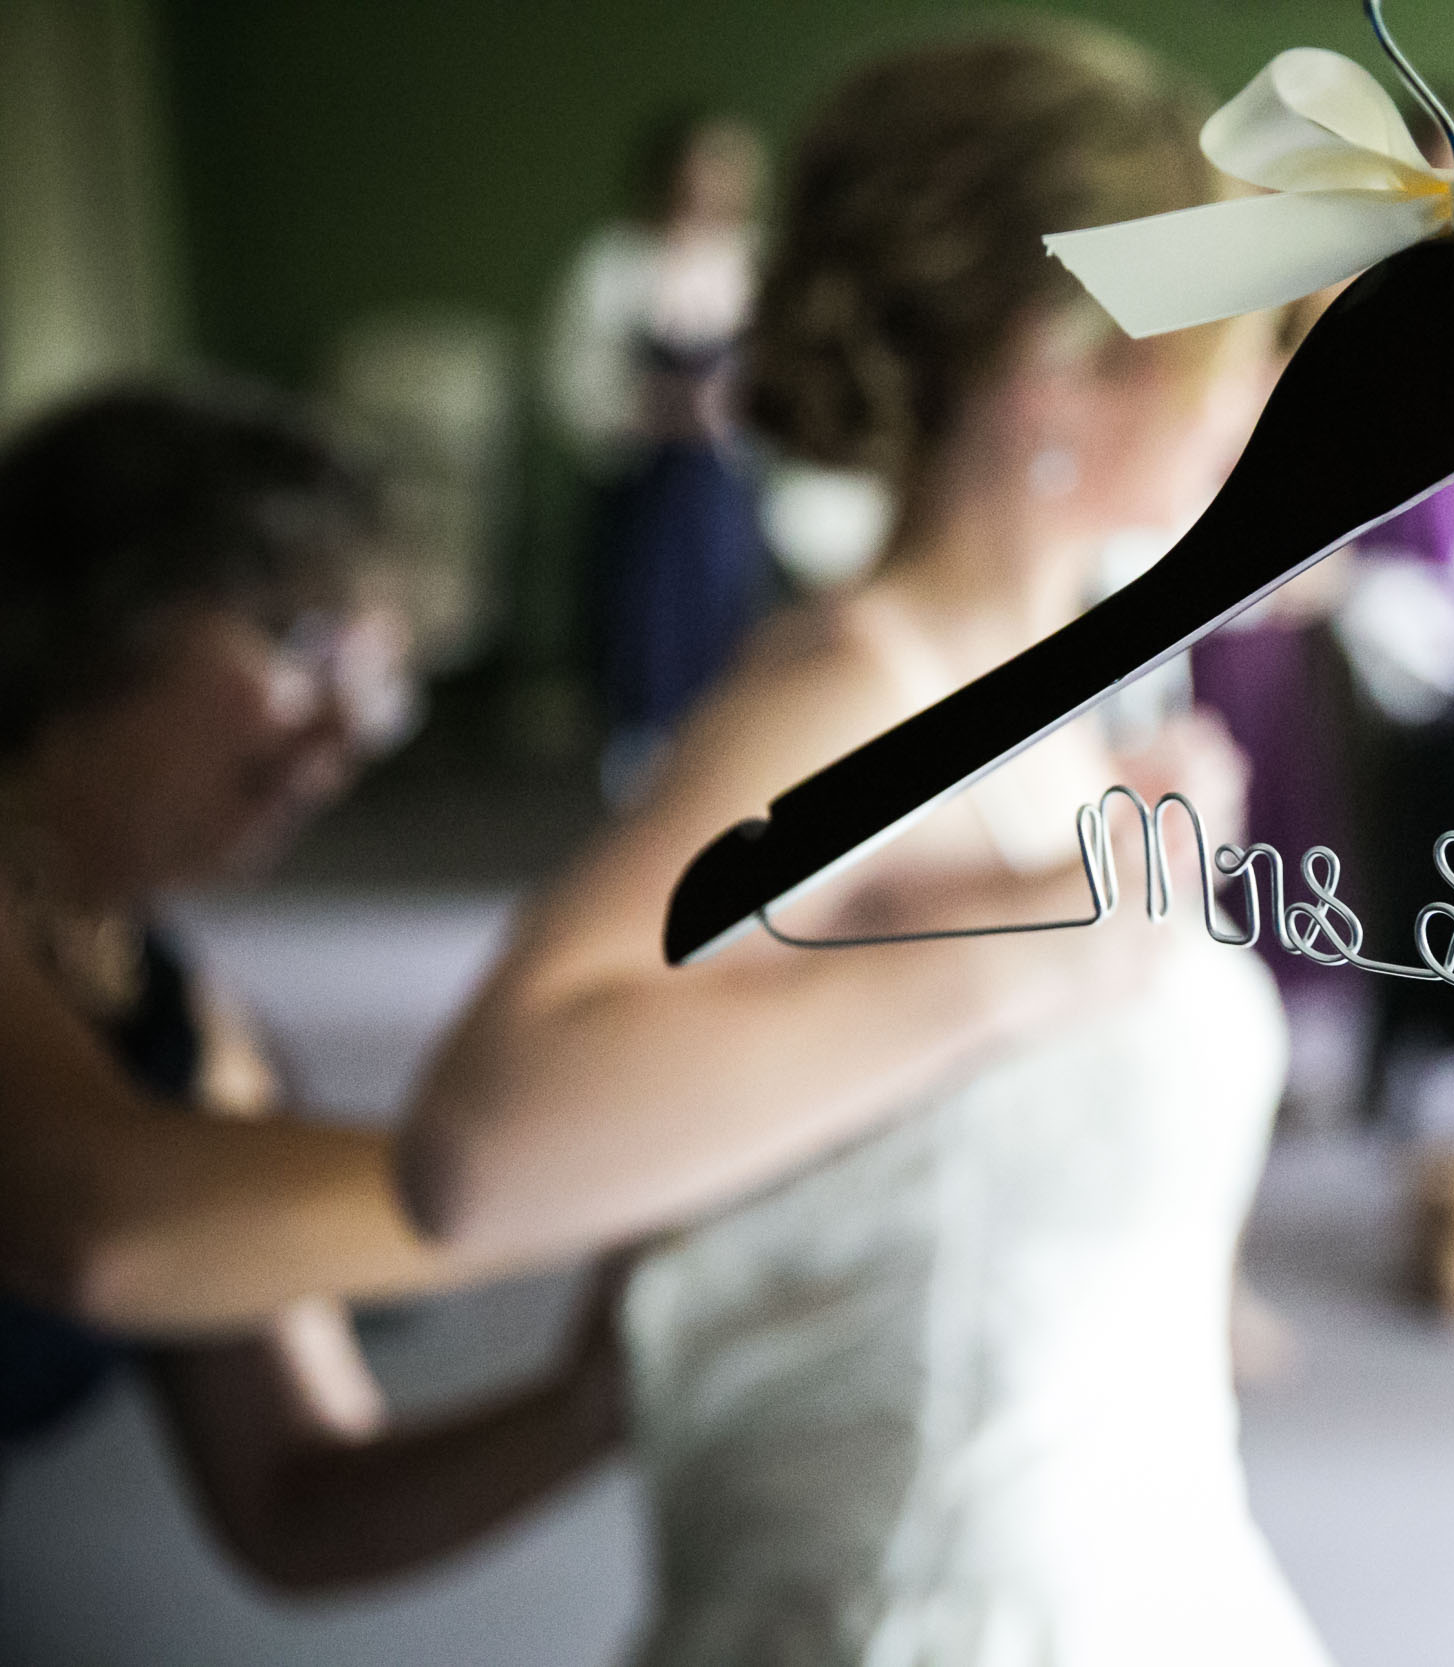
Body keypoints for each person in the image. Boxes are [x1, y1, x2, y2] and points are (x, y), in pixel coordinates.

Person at [400, 26, 1328, 1665]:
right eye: (1234, 341)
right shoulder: (848, 699)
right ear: (1060, 356)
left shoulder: (1067, 692)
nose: (1263, 394)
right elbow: (483, 1148)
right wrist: (1042, 948)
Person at [0, 385, 624, 1584]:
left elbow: (297, 1501)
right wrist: (585, 1179)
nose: (343, 736)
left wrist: (589, 1407)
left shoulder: (181, 1021)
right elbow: (94, 1226)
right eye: (299, 645)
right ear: (92, 616)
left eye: (380, 684)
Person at [545, 110, 775, 801]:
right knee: (639, 626)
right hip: (641, 488)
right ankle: (639, 768)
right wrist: (651, 410)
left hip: (729, 487)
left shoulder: (758, 261)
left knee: (734, 625)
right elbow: (572, 380)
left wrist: (731, 410)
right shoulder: (611, 264)